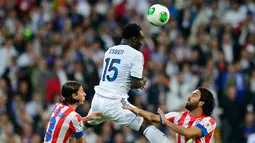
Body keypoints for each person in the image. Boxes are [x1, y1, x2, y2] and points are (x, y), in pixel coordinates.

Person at [85, 23, 170, 143]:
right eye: (141, 39)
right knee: (145, 124)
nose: (141, 43)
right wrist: (142, 82)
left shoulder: (109, 50)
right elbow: (134, 84)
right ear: (134, 39)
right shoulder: (136, 55)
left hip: (97, 100)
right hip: (115, 102)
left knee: (81, 126)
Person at [124, 88, 216, 143]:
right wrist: (135, 109)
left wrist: (168, 123)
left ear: (201, 103)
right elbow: (152, 117)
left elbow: (188, 132)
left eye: (194, 95)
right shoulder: (178, 115)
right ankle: (125, 112)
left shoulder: (209, 121)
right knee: (146, 125)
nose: (189, 97)